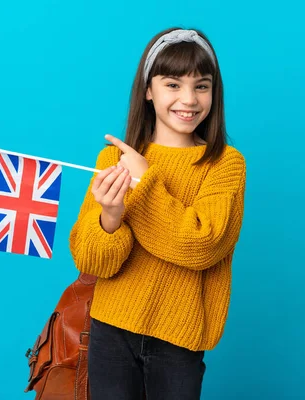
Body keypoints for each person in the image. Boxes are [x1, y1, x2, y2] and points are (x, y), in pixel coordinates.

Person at [68, 27, 246, 400]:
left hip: (179, 340)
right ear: (148, 90)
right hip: (110, 330)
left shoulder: (225, 165)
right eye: (172, 84)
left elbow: (201, 246)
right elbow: (91, 260)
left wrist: (145, 182)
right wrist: (111, 218)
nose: (189, 99)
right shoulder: (112, 159)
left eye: (202, 85)